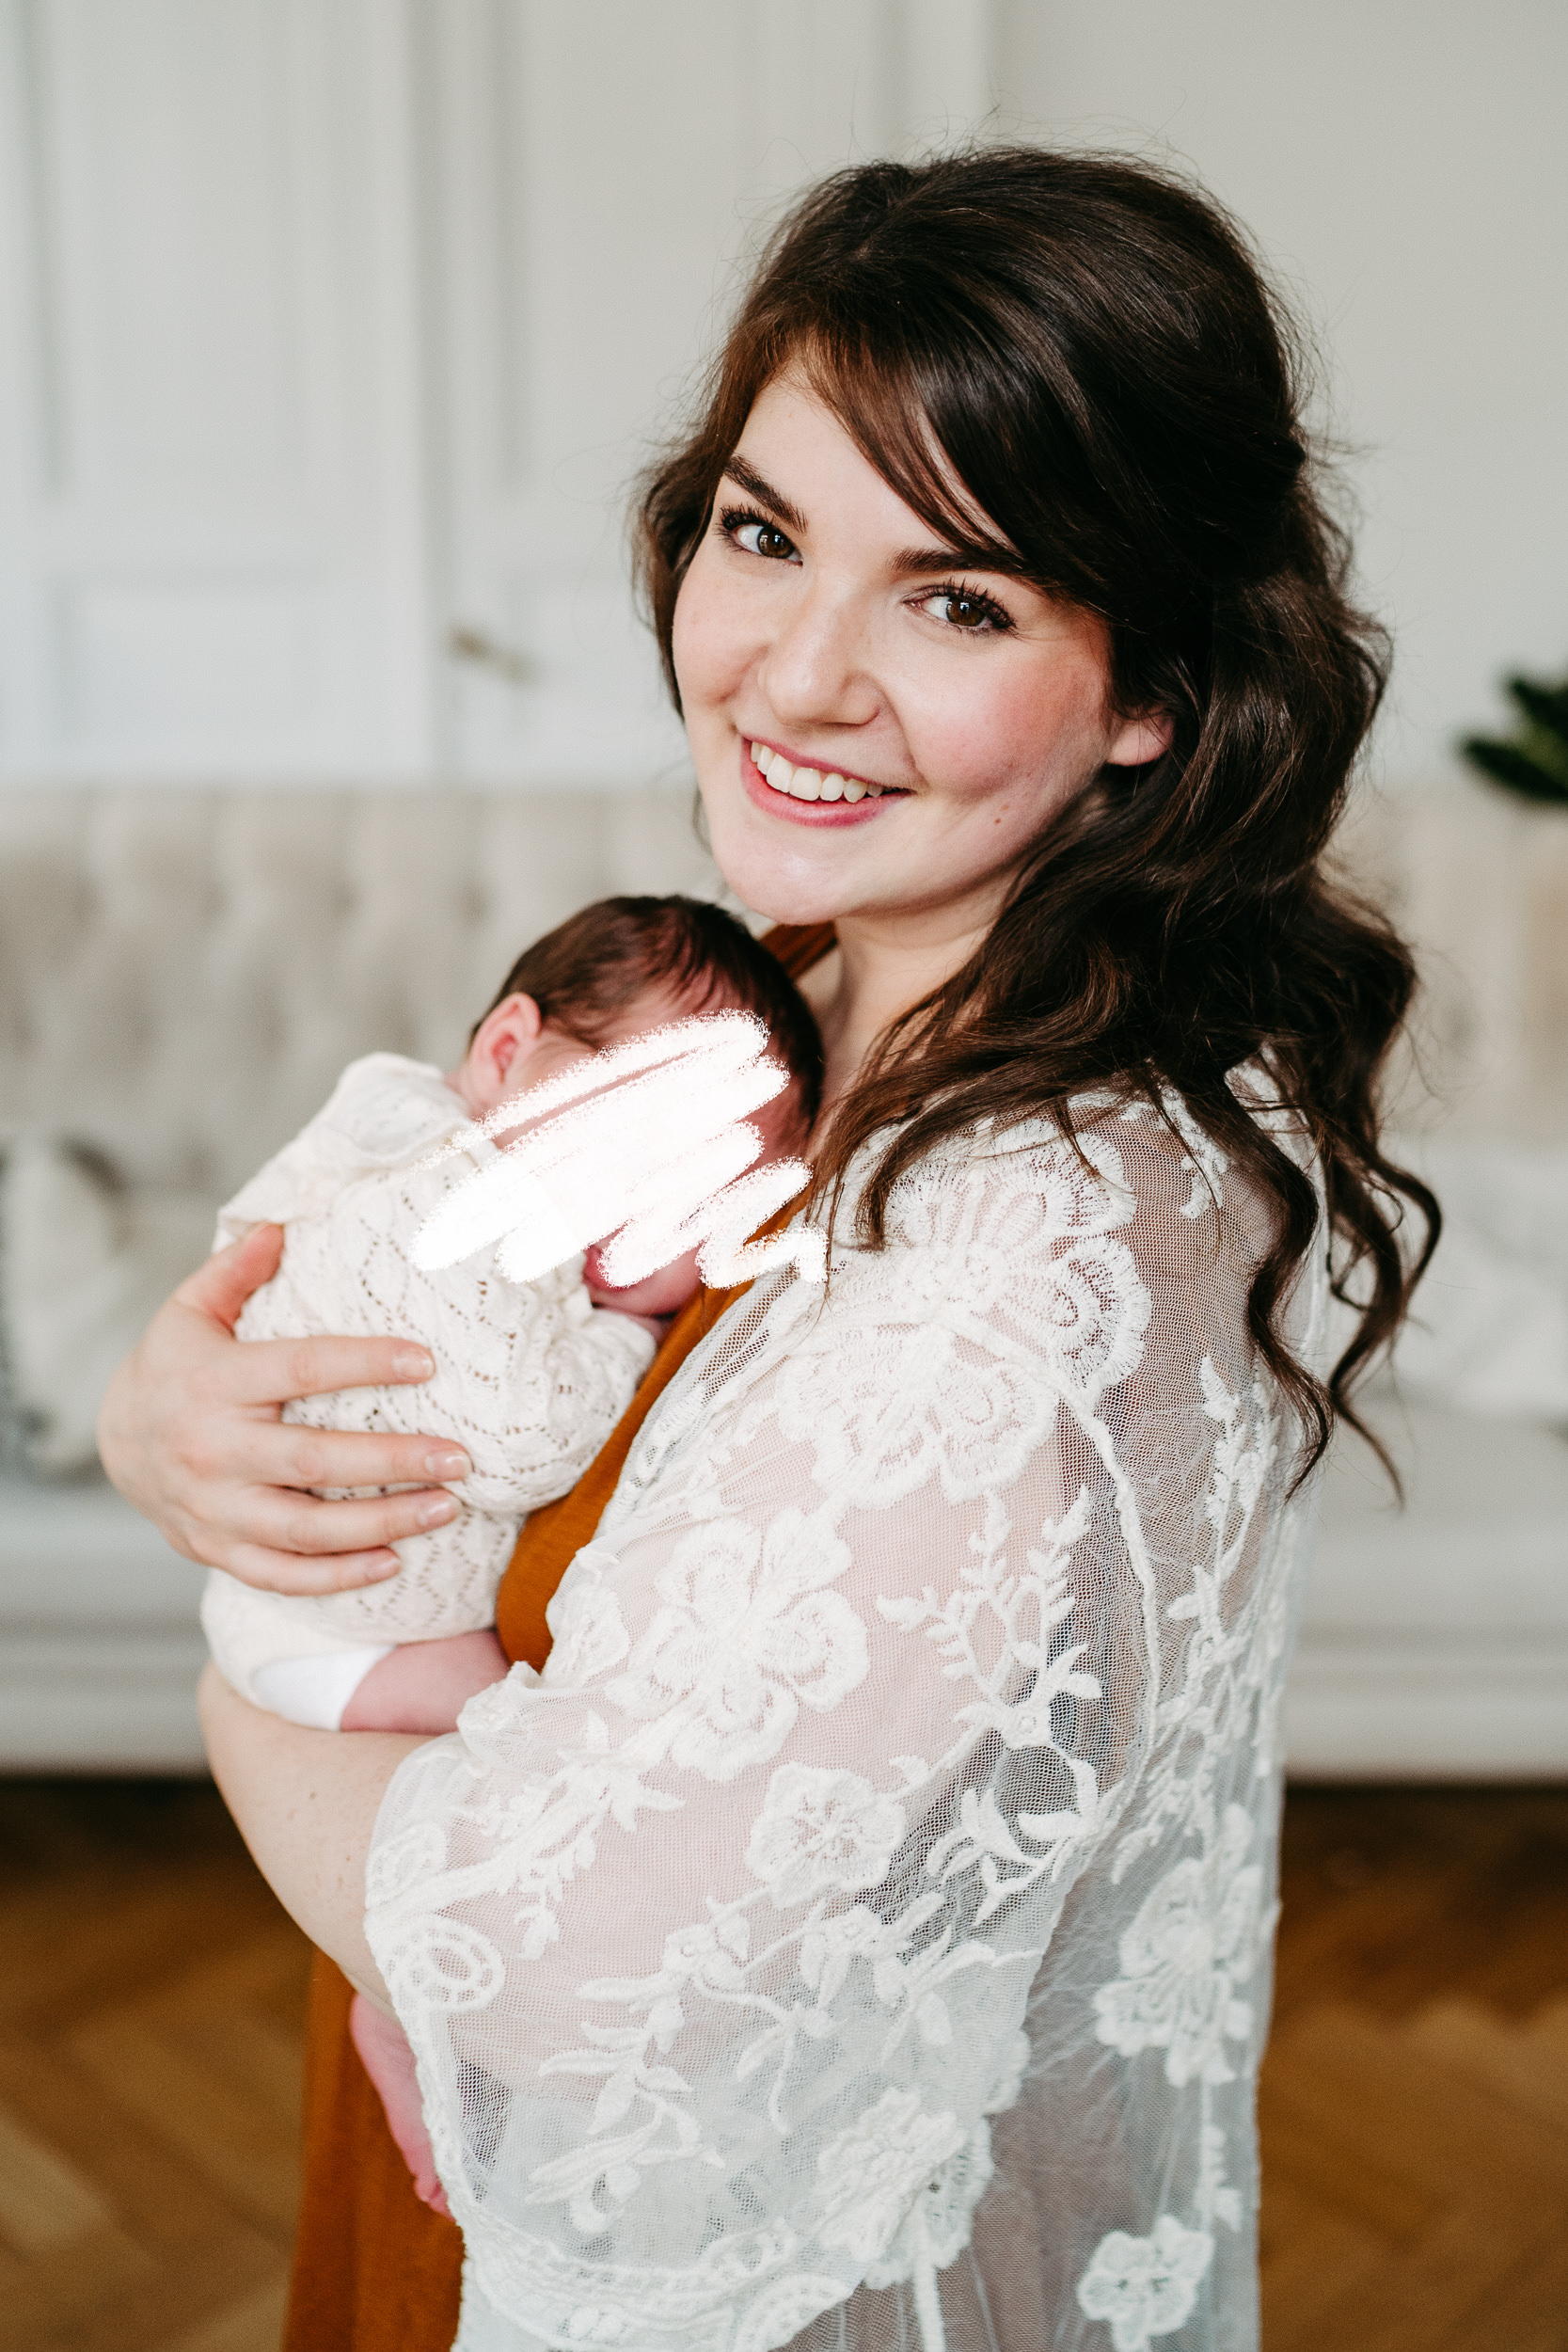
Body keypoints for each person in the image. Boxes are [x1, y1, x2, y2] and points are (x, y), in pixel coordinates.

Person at [100, 149, 1436, 2352]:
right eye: (762, 530)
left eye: (958, 600)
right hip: (448, 2152)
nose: (796, 678)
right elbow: (407, 1297)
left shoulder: (1033, 1241)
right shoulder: (786, 1006)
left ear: (1151, 691)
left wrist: (236, 1701)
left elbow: (555, 1966)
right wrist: (178, 1411)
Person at [200, 894, 822, 1744]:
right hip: (328, 1637)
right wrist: (628, 1338)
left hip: (377, 1614)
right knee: (538, 1743)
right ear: (505, 1052)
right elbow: (523, 1443)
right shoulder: (437, 1196)